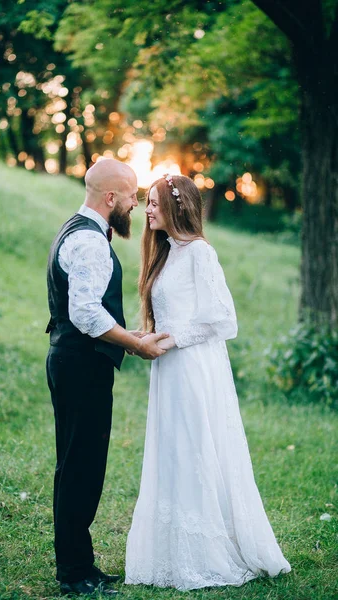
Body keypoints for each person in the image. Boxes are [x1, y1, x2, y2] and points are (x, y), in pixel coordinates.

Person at [125, 174, 291, 590]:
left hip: (193, 368)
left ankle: (208, 549)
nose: (147, 210)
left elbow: (225, 321)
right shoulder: (165, 254)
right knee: (173, 452)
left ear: (177, 208)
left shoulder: (200, 253)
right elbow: (169, 314)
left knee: (193, 450)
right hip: (169, 370)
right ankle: (172, 549)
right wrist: (145, 336)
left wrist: (174, 338)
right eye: (146, 203)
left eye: (154, 204)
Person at [45, 159, 169, 597]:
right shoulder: (91, 242)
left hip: (73, 359)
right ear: (111, 197)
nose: (135, 206)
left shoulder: (76, 228)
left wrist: (126, 332)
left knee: (76, 464)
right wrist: (136, 345)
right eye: (132, 196)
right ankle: (76, 573)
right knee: (81, 467)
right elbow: (84, 313)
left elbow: (90, 309)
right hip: (81, 365)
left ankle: (79, 563)